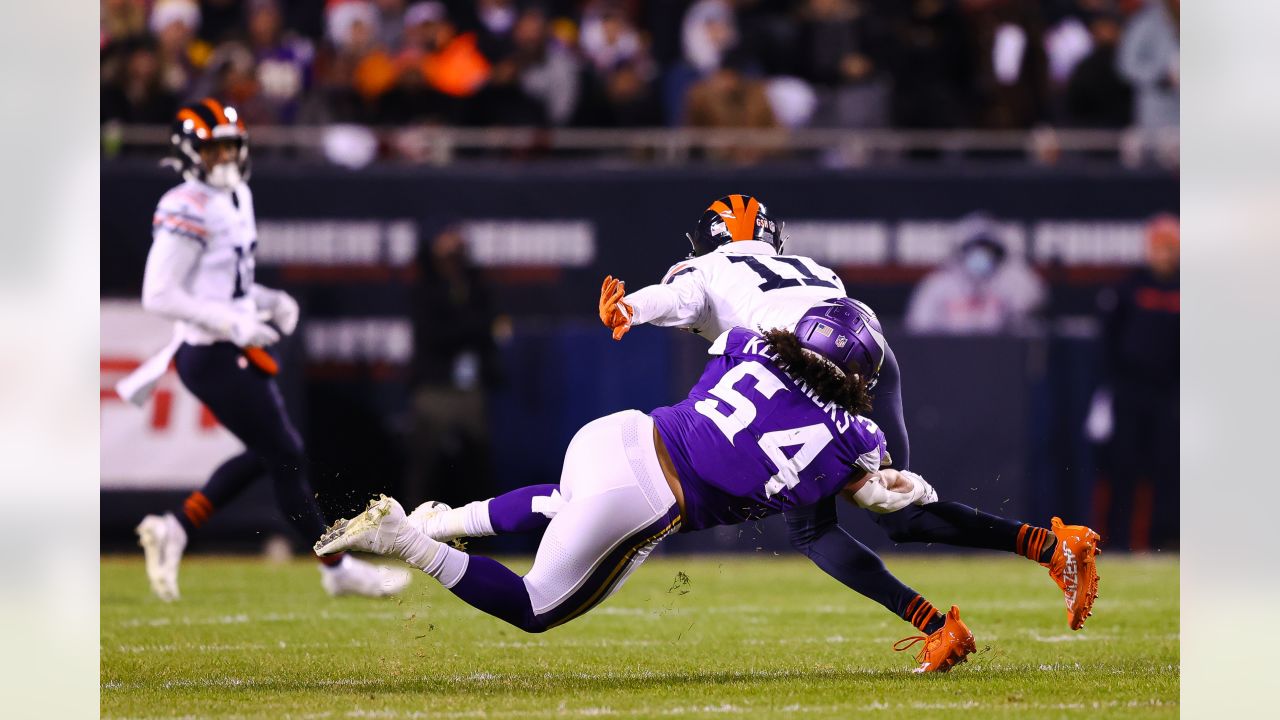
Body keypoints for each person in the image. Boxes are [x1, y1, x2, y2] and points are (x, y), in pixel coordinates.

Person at [319, 301, 979, 673]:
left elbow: (720, 338)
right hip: (650, 496)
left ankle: (442, 519)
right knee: (536, 607)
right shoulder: (856, 437)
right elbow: (874, 494)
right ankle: (408, 539)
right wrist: (895, 483)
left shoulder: (749, 343)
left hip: (619, 433)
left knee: (568, 501)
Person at [598, 194, 1099, 631]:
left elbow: (675, 296)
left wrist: (630, 310)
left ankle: (937, 627)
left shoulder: (705, 268)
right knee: (903, 513)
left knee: (813, 530)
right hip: (868, 353)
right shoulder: (812, 267)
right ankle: (1053, 549)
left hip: (803, 369)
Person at [121, 99, 410, 601]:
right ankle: (337, 566)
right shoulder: (184, 204)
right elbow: (159, 293)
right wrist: (232, 319)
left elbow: (225, 285)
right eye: (215, 150)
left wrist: (265, 300)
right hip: (210, 352)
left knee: (271, 453)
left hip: (228, 345)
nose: (227, 158)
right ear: (190, 154)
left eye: (233, 146)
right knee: (287, 454)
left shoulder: (236, 197)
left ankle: (177, 526)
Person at [1087, 214, 1179, 550]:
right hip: (1128, 391)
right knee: (1122, 468)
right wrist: (1108, 389)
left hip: (1169, 394)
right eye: (1159, 247)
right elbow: (1109, 340)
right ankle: (1115, 541)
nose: (1165, 255)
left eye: (1170, 247)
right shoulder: (1129, 288)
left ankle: (1162, 541)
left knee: (1168, 469)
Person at [905, 212, 1046, 335]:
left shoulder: (1010, 282)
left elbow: (1033, 303)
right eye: (975, 247)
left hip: (998, 356)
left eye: (988, 248)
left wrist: (1014, 262)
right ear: (962, 250)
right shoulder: (937, 285)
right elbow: (918, 330)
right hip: (946, 357)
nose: (981, 253)